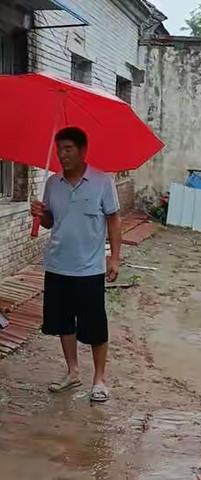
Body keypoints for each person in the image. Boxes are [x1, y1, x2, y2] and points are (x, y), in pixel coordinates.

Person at [30, 127, 122, 403]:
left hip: (89, 268)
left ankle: (99, 379)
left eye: (68, 149)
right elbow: (50, 222)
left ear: (83, 151)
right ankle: (72, 371)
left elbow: (114, 219)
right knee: (63, 322)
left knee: (94, 325)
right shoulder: (52, 183)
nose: (62, 154)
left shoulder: (102, 181)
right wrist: (40, 213)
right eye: (59, 149)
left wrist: (115, 257)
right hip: (57, 265)